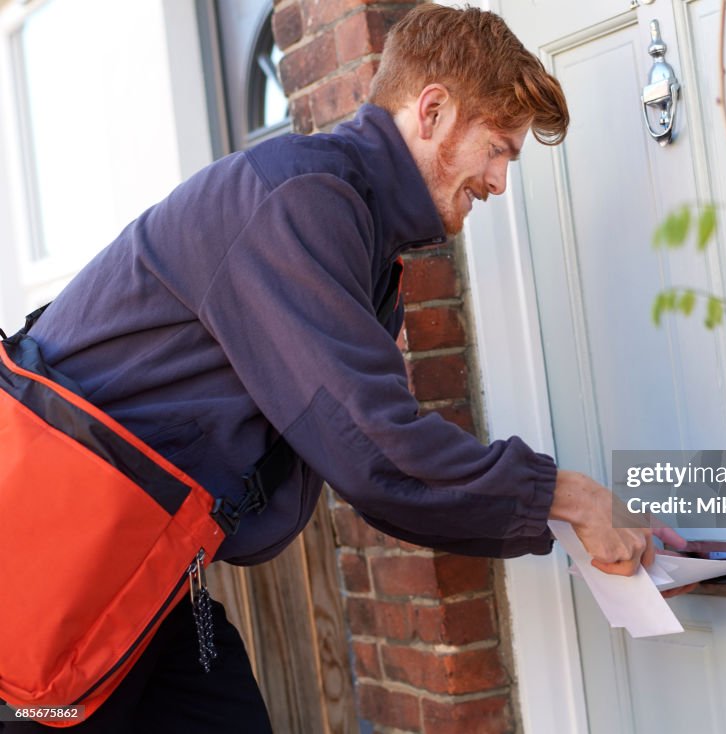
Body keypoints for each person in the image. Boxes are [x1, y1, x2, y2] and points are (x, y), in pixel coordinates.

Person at [3, 4, 686, 732]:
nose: (498, 181)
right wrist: (571, 497)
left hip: (143, 582)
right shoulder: (298, 204)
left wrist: (560, 509)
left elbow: (370, 457)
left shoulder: (358, 228)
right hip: (43, 582)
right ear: (433, 111)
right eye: (498, 149)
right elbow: (375, 453)